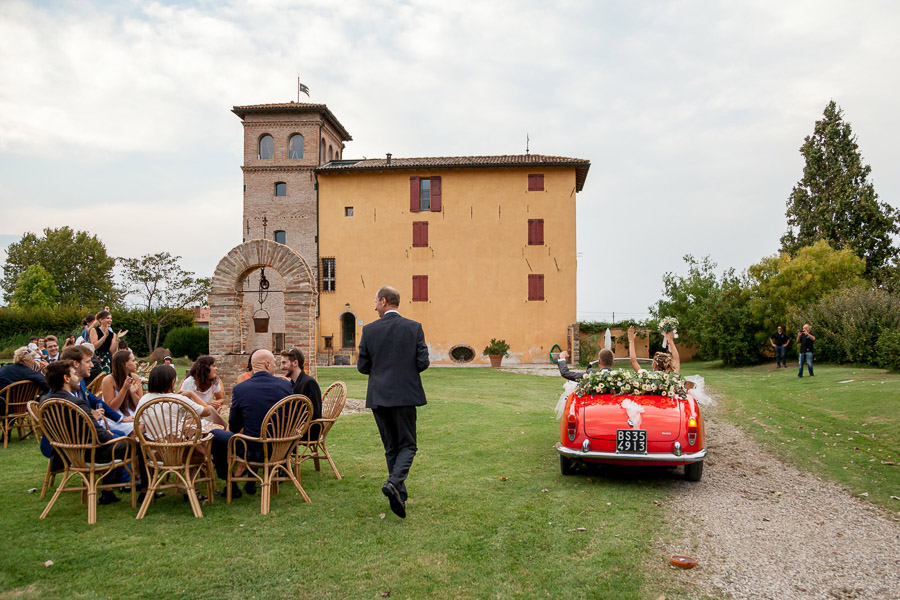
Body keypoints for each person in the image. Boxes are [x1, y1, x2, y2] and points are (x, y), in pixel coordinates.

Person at [357, 285, 429, 519]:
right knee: (408, 445)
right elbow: (423, 362)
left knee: (391, 447)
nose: (374, 305)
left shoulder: (369, 331)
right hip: (406, 395)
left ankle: (398, 493)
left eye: (376, 301)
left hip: (379, 395)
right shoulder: (414, 328)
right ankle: (395, 484)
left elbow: (362, 367)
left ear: (385, 301)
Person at [38, 360, 126, 505]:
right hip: (89, 453)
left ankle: (108, 492)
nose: (77, 377)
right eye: (73, 374)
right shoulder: (76, 403)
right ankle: (141, 490)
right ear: (66, 379)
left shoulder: (45, 402)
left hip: (63, 453)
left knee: (116, 439)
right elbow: (99, 435)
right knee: (133, 444)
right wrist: (109, 435)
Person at [210, 350, 292, 499]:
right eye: (274, 363)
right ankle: (245, 481)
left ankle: (230, 482)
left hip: (252, 449)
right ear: (267, 364)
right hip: (281, 447)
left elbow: (234, 426)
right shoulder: (285, 386)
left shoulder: (241, 389)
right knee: (255, 433)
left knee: (215, 435)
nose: (275, 366)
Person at [60, 345, 133, 437]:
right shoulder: (62, 389)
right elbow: (69, 420)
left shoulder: (80, 382)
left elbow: (94, 400)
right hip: (76, 439)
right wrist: (91, 419)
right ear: (76, 363)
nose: (92, 365)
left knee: (123, 435)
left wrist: (120, 418)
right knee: (125, 440)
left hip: (87, 430)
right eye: (88, 361)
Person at [280, 348, 322, 438]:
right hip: (295, 428)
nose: (281, 367)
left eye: (284, 363)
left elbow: (315, 413)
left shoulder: (309, 383)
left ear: (295, 363)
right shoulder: (291, 384)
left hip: (309, 430)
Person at [0, 347, 50, 414]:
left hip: (2, 405)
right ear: (25, 361)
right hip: (20, 407)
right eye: (32, 359)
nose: (34, 361)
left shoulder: (3, 369)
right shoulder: (28, 373)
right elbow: (48, 386)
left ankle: (7, 424)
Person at [101, 350, 143, 417]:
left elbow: (141, 406)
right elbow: (111, 409)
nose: (136, 363)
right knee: (135, 426)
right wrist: (124, 389)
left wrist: (133, 394)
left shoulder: (135, 378)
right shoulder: (108, 380)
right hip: (115, 416)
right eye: (133, 360)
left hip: (133, 413)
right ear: (125, 364)